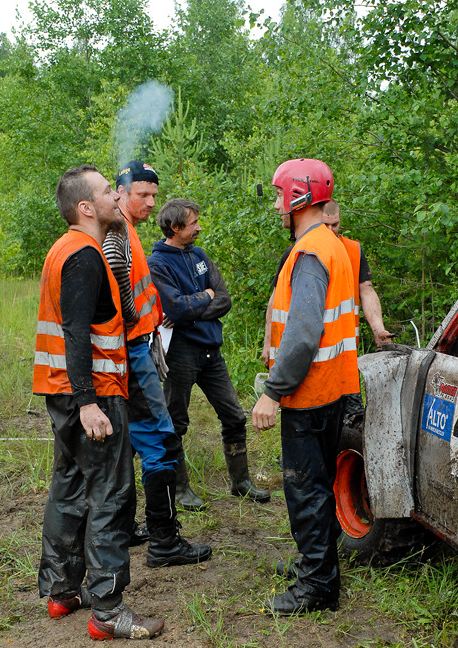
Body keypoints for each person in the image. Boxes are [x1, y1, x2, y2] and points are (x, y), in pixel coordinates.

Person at [33, 165, 164, 640]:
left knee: (68, 487)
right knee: (110, 493)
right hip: (93, 397)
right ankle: (108, 610)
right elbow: (75, 332)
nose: (117, 195)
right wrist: (89, 402)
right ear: (86, 207)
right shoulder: (85, 256)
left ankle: (62, 590)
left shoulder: (65, 249)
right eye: (108, 190)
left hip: (62, 393)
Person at [252, 158, 359, 616]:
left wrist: (273, 392)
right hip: (332, 387)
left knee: (306, 488)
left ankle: (318, 586)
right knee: (317, 483)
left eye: (280, 195)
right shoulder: (330, 244)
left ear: (298, 197)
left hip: (310, 392)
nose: (277, 205)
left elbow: (301, 335)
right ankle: (316, 564)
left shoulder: (311, 253)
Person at [103, 161, 211, 567]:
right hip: (133, 351)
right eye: (142, 194)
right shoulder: (117, 229)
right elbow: (116, 280)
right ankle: (165, 544)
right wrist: (134, 319)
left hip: (137, 348)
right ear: (120, 191)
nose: (150, 202)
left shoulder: (125, 229)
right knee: (159, 440)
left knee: (130, 442)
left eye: (153, 194)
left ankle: (128, 528)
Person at [148, 198, 270, 510]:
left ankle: (240, 482)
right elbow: (173, 307)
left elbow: (225, 299)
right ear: (175, 228)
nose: (199, 227)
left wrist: (193, 307)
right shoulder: (158, 263)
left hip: (210, 351)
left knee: (233, 415)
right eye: (193, 223)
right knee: (176, 422)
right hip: (180, 353)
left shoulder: (199, 255)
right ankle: (179, 489)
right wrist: (204, 298)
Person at [262, 198, 391, 369]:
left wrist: (378, 330)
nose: (330, 230)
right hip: (304, 350)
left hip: (343, 350)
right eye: (325, 225)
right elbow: (275, 301)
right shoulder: (297, 252)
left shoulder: (353, 251)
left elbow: (366, 290)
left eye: (335, 225)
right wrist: (268, 343)